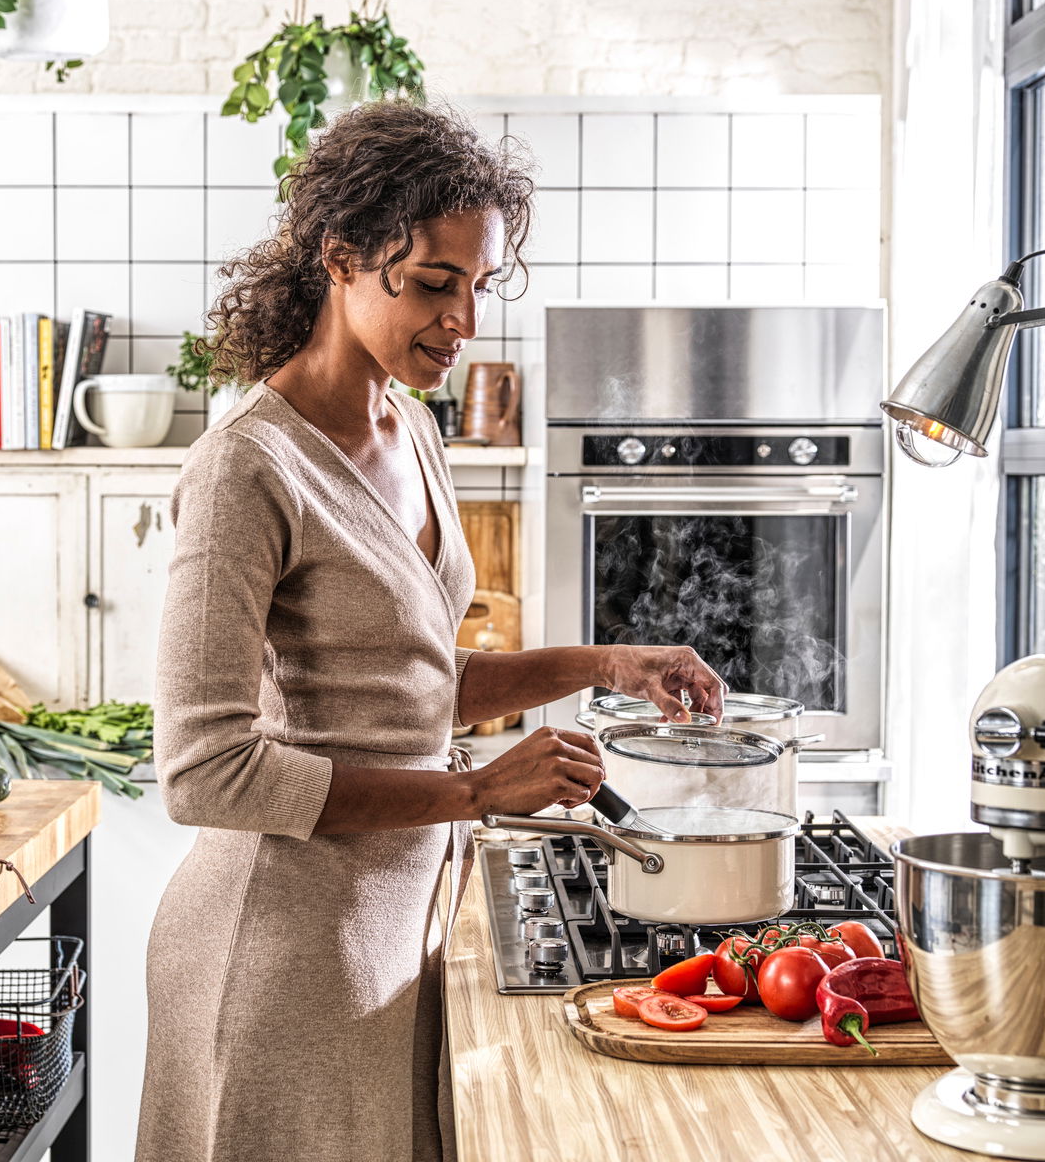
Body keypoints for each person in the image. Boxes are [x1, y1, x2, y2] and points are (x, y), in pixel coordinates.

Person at [137, 101, 724, 1162]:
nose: (462, 320)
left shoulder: (406, 427)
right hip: (278, 948)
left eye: (479, 288)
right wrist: (475, 793)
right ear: (342, 258)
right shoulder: (244, 470)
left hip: (402, 916)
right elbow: (204, 772)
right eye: (435, 284)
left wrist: (605, 665)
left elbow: (411, 683)